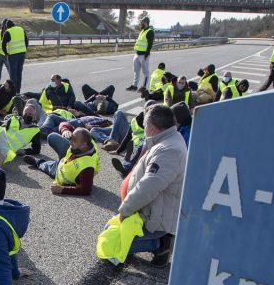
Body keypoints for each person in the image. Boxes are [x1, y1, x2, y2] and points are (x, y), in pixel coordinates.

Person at [114, 104, 186, 267]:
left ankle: (161, 243)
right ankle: (157, 241)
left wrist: (125, 211)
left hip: (154, 219)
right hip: (149, 212)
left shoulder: (169, 150)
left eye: (145, 125)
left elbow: (148, 187)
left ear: (152, 128)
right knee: (111, 235)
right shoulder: (164, 140)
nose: (144, 128)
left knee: (113, 243)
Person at [24, 127, 98, 196]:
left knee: (48, 167)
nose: (70, 142)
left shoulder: (87, 168)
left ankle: (37, 162)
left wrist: (62, 190)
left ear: (83, 145)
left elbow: (86, 190)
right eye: (71, 138)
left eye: (74, 139)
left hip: (64, 173)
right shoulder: (86, 141)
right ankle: (52, 163)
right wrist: (65, 130)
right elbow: (65, 124)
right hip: (66, 159)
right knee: (52, 136)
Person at [127, 17, 155, 92]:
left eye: (142, 22)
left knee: (145, 72)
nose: (140, 23)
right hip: (137, 54)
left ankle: (144, 87)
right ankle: (134, 86)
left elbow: (150, 44)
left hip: (144, 55)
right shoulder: (142, 31)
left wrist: (146, 55)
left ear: (146, 22)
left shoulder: (150, 32)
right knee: (136, 71)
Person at [2, 19, 27, 93]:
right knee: (19, 73)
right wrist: (24, 49)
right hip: (22, 54)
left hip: (13, 55)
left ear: (7, 27)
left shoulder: (8, 32)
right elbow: (26, 41)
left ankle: (13, 92)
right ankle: (18, 91)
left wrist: (6, 53)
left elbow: (3, 44)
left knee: (13, 74)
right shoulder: (21, 29)